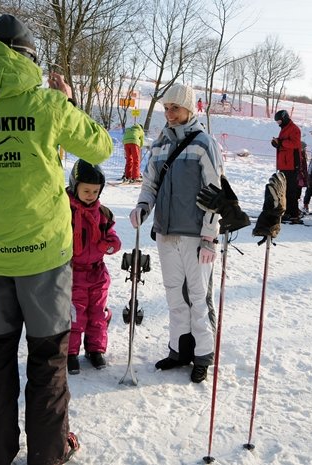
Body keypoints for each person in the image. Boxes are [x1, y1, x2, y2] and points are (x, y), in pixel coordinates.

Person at [0, 14, 112, 465]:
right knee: (48, 359)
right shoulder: (48, 105)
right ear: (29, 56)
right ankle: (48, 455)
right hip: (43, 258)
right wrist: (66, 102)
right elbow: (101, 148)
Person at [129, 83, 223, 384]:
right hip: (166, 232)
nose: (169, 114)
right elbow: (150, 183)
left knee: (197, 296)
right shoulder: (159, 145)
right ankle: (179, 349)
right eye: (166, 108)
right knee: (174, 296)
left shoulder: (204, 143)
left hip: (196, 235)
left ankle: (203, 355)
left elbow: (215, 191)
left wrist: (210, 235)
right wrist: (144, 206)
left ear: (189, 109)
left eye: (175, 108)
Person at [66, 159, 121, 374]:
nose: (91, 195)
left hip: (97, 273)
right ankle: (70, 352)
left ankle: (95, 349)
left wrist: (109, 245)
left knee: (97, 313)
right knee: (74, 314)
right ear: (74, 187)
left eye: (95, 191)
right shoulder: (65, 212)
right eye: (86, 190)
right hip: (73, 273)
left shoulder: (103, 214)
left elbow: (112, 237)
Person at [271, 109, 302, 223]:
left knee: (291, 190)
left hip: (291, 164)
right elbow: (284, 142)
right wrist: (276, 142)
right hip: (284, 164)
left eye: (279, 121)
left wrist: (281, 142)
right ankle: (287, 211)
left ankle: (294, 213)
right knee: (283, 190)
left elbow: (295, 144)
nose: (278, 124)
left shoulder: (294, 129)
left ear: (284, 118)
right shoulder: (285, 129)